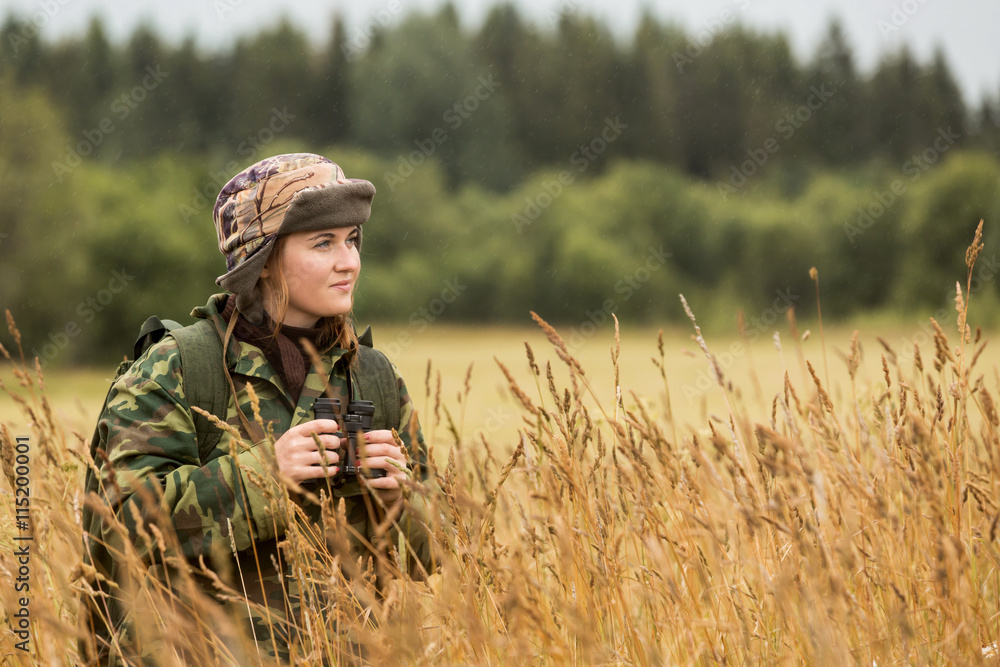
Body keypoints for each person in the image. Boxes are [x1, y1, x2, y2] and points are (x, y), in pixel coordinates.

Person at [81, 153, 436, 664]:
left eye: (352, 239)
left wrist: (400, 500)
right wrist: (265, 476)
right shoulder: (179, 369)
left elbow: (441, 552)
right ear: (264, 259)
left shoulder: (372, 377)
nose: (349, 261)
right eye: (323, 243)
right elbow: (114, 529)